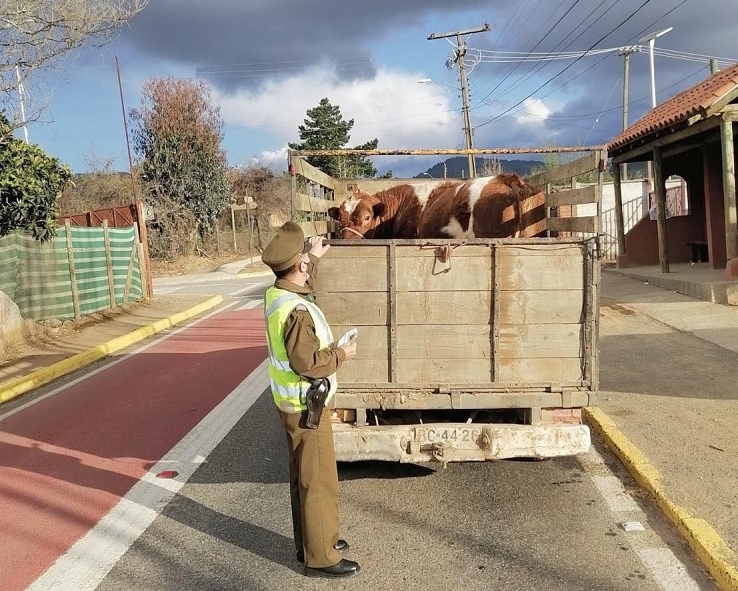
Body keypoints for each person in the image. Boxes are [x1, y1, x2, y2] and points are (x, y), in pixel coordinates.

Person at [261, 221, 360, 579]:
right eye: (305, 259)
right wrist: (342, 354)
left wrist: (311, 260)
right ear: (298, 267)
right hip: (309, 408)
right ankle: (321, 557)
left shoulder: (278, 294)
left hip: (293, 406)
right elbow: (307, 363)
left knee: (304, 477)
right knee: (318, 481)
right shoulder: (298, 313)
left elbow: (300, 287)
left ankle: (312, 541)